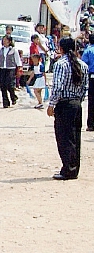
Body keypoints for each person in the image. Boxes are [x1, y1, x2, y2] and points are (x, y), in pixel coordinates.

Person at [48, 37, 88, 181]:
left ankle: (67, 169)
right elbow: (85, 87)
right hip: (76, 104)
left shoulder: (61, 64)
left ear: (61, 48)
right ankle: (74, 168)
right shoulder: (82, 65)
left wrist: (51, 104)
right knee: (75, 137)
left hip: (64, 104)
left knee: (64, 138)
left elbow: (58, 87)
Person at [0, 35, 22, 108]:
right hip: (2, 69)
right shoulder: (0, 50)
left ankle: (13, 97)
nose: (4, 41)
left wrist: (19, 68)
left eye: (6, 40)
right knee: (2, 85)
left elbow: (17, 60)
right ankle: (5, 102)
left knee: (9, 85)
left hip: (10, 68)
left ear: (9, 41)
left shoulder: (13, 50)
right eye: (3, 40)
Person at [83, 36, 94, 132]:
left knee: (91, 101)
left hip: (92, 77)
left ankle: (91, 124)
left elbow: (84, 65)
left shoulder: (88, 51)